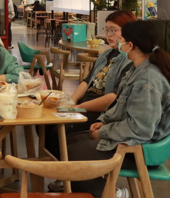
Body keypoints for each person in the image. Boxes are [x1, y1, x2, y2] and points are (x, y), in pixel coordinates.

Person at [66, 20, 170, 198]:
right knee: (67, 142)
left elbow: (140, 128)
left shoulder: (147, 79)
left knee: (74, 153)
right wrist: (103, 122)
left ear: (130, 45)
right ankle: (86, 189)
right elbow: (120, 107)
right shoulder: (138, 68)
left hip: (143, 147)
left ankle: (111, 193)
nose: (117, 42)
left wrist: (104, 132)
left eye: (121, 39)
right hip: (133, 138)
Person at [46, 10, 138, 184]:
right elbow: (86, 81)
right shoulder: (106, 55)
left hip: (101, 113)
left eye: (114, 30)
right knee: (44, 124)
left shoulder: (131, 60)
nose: (108, 35)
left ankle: (76, 179)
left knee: (59, 132)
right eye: (107, 29)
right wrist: (72, 101)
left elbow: (113, 99)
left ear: (128, 31)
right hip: (84, 105)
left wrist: (78, 108)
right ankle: (64, 174)